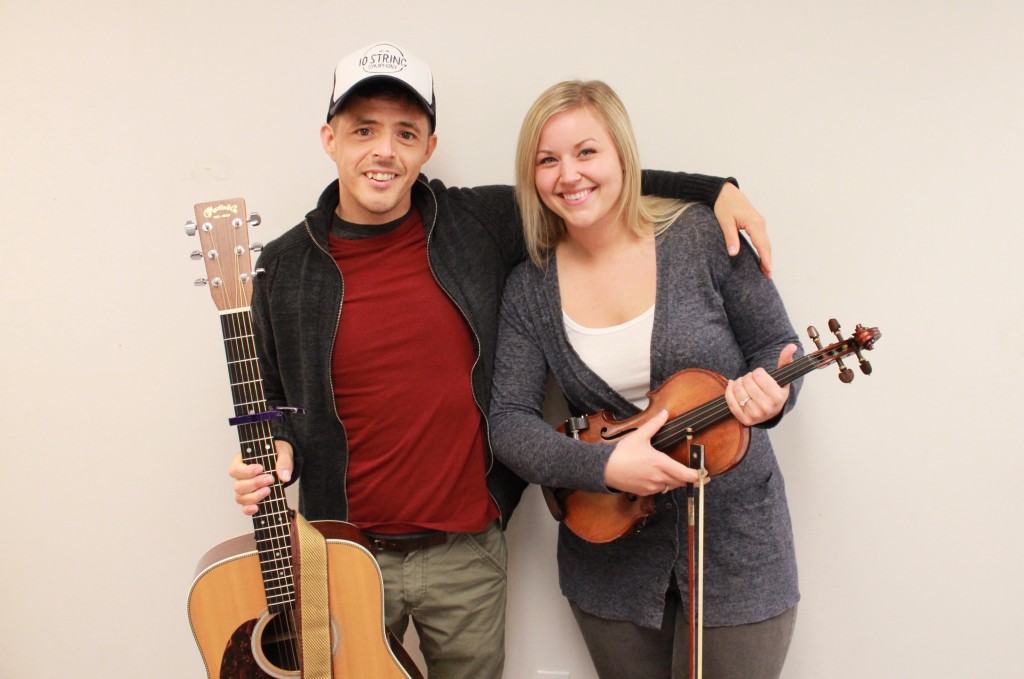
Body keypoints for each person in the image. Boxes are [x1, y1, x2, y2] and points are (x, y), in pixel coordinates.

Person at [229, 42, 773, 679]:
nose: (384, 151)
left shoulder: (478, 222)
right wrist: (275, 450)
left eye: (406, 132)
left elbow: (583, 186)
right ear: (330, 138)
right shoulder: (282, 265)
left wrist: (714, 190)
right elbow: (265, 394)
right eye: (364, 130)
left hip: (465, 552)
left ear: (429, 147)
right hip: (340, 555)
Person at [488, 79, 803, 679]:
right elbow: (508, 424)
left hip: (737, 546)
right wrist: (601, 468)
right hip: (609, 557)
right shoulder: (529, 287)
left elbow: (775, 347)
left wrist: (774, 396)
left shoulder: (703, 237)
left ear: (623, 157)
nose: (569, 175)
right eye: (547, 160)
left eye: (586, 152)